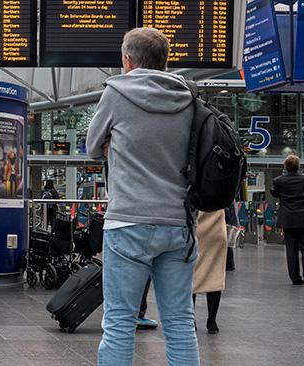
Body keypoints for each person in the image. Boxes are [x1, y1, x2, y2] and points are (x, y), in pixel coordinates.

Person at [86, 28, 199, 365]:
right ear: (164, 61)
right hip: (178, 223)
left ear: (128, 59)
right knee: (180, 322)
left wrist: (113, 145)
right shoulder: (189, 95)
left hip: (127, 222)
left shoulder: (116, 93)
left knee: (120, 321)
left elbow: (93, 147)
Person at [271, 155, 304, 286]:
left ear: (285, 167)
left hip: (289, 220)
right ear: (298, 166)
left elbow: (275, 193)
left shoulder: (278, 181)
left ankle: (295, 278)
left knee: (291, 249)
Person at [192, 210, 228, 334]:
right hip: (217, 230)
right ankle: (212, 321)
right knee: (215, 274)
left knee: (192, 275)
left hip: (196, 227)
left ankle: (191, 319)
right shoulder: (221, 189)